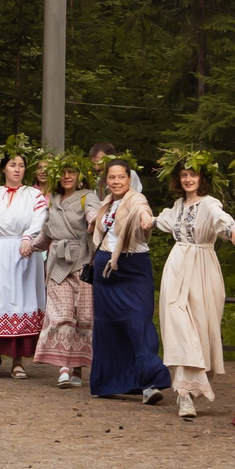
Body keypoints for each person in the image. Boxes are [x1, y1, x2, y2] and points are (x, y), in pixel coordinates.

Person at [154, 156, 235, 418]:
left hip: (203, 269)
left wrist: (233, 230)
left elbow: (220, 218)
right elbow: (162, 220)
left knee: (202, 329)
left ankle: (192, 387)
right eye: (184, 175)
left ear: (203, 178)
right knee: (180, 327)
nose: (188, 179)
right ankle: (184, 395)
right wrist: (141, 217)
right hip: (177, 267)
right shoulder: (178, 205)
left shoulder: (209, 204)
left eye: (193, 174)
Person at [86, 158, 170, 403]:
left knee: (138, 322)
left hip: (133, 269)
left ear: (129, 178)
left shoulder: (135, 198)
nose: (116, 181)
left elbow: (142, 209)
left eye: (121, 177)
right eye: (111, 177)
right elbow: (102, 226)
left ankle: (150, 383)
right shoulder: (107, 202)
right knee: (108, 326)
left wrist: (146, 219)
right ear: (106, 180)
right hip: (105, 275)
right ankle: (110, 382)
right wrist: (94, 219)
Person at [0, 152, 47, 379]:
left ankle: (18, 361)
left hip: (22, 252)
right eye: (12, 165)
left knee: (20, 301)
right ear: (3, 168)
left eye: (22, 165)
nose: (17, 169)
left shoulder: (34, 195)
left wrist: (28, 238)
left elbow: (40, 220)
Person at [33, 159, 97, 388]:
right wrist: (31, 246)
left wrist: (93, 222)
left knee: (83, 316)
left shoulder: (87, 195)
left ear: (80, 175)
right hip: (58, 263)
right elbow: (46, 231)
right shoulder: (52, 199)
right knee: (61, 314)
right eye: (63, 173)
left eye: (72, 171)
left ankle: (77, 368)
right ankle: (63, 368)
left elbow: (93, 213)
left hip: (82, 262)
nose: (67, 176)